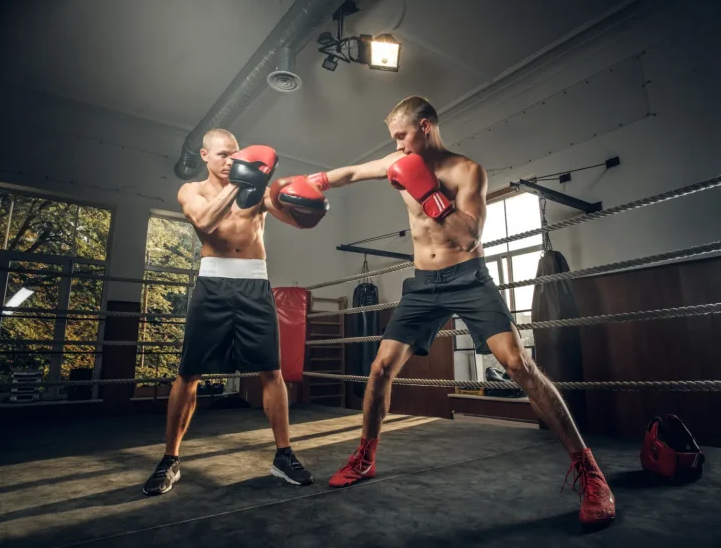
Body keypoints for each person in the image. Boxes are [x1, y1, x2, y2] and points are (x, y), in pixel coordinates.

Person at [293, 96, 615, 525]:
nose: (399, 148)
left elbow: (468, 237)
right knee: (379, 369)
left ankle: (589, 471)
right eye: (394, 140)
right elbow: (350, 172)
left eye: (403, 136)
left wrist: (427, 193)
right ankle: (365, 456)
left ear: (426, 126)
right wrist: (313, 181)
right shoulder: (396, 161)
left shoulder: (468, 171)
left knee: (520, 365)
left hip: (468, 279)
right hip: (423, 285)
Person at [143, 128, 328, 495]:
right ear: (205, 155)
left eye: (236, 155)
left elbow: (294, 218)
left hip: (254, 285)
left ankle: (283, 455)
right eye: (224, 154)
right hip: (212, 284)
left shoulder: (255, 191)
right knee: (189, 373)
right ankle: (170, 459)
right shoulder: (191, 191)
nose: (231, 160)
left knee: (271, 372)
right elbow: (205, 222)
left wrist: (305, 201)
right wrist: (240, 180)